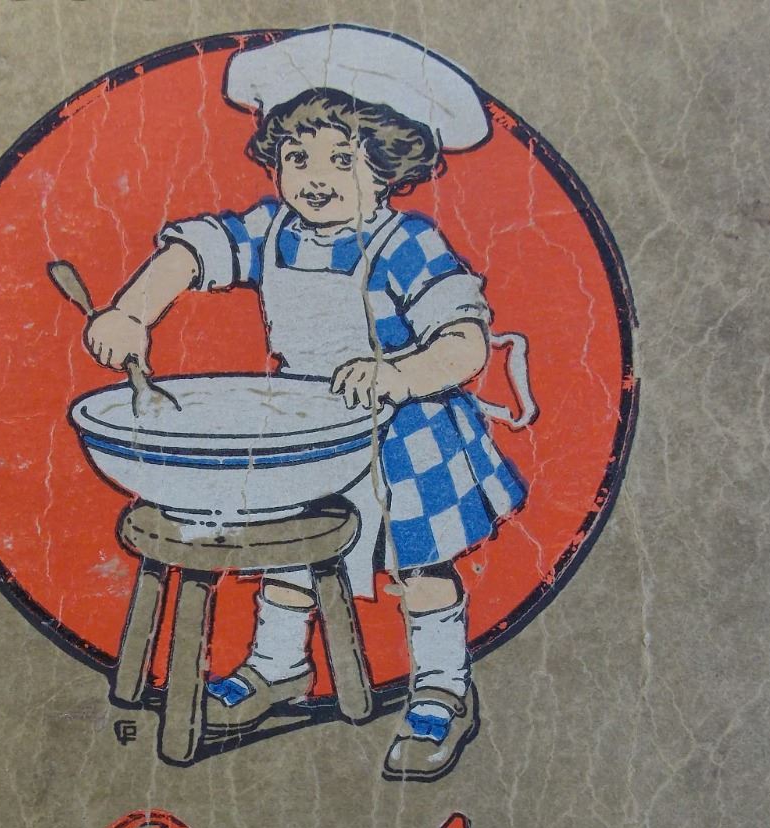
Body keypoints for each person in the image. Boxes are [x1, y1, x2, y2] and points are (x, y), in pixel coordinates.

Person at [82, 28, 527, 782]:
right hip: (311, 432)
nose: (314, 178)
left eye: (341, 159)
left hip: (409, 438)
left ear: (386, 167)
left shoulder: (407, 244)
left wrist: (400, 373)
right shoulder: (273, 231)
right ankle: (277, 668)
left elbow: (465, 342)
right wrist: (130, 312)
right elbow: (193, 252)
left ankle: (441, 691)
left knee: (420, 571)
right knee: (290, 553)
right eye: (297, 157)